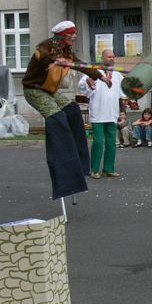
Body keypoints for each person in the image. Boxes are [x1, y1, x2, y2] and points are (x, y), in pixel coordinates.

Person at [22, 20, 108, 200]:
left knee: (73, 110)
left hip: (49, 92)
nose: (75, 37)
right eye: (72, 34)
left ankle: (80, 163)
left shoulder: (67, 53)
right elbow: (41, 56)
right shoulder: (45, 48)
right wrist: (55, 60)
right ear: (63, 35)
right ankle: (63, 165)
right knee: (58, 118)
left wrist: (101, 77)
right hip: (34, 90)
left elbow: (81, 65)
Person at [78, 48, 123, 179]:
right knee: (98, 142)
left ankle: (109, 168)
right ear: (102, 58)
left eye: (113, 57)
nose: (112, 59)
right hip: (98, 113)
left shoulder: (117, 74)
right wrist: (89, 84)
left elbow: (122, 93)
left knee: (111, 143)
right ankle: (95, 169)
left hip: (112, 113)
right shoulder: (93, 71)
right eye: (109, 57)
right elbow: (82, 86)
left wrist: (121, 110)